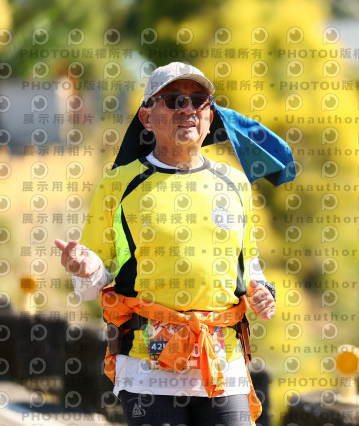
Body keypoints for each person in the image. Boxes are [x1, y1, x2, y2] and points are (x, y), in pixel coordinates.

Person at [55, 62, 294, 426]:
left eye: (199, 100)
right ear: (147, 117)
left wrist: (262, 292)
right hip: (147, 368)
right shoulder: (120, 184)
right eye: (174, 100)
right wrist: (86, 269)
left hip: (223, 363)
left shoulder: (235, 183)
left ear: (210, 116)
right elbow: (92, 285)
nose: (187, 109)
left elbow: (248, 266)